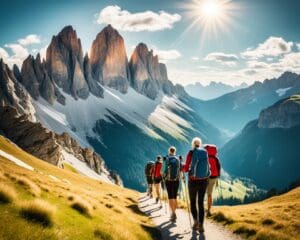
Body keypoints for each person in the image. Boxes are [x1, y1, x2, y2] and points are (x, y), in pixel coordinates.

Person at [183, 137, 210, 232]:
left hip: (193, 181)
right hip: (204, 180)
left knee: (193, 202)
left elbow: (186, 169)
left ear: (193, 144)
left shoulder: (191, 153)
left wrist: (186, 168)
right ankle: (201, 225)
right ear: (200, 144)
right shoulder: (204, 152)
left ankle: (195, 221)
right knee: (201, 203)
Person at [162, 146, 181, 222]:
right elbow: (180, 169)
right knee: (175, 197)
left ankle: (172, 213)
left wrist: (163, 176)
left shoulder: (167, 159)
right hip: (176, 180)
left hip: (168, 180)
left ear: (169, 151)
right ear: (175, 151)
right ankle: (174, 212)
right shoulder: (177, 159)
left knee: (170, 197)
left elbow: (163, 171)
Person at [204, 144, 221, 217]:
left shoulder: (205, 158)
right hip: (214, 177)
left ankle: (201, 208)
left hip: (206, 177)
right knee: (209, 194)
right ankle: (209, 210)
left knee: (202, 193)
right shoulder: (216, 158)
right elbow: (219, 168)